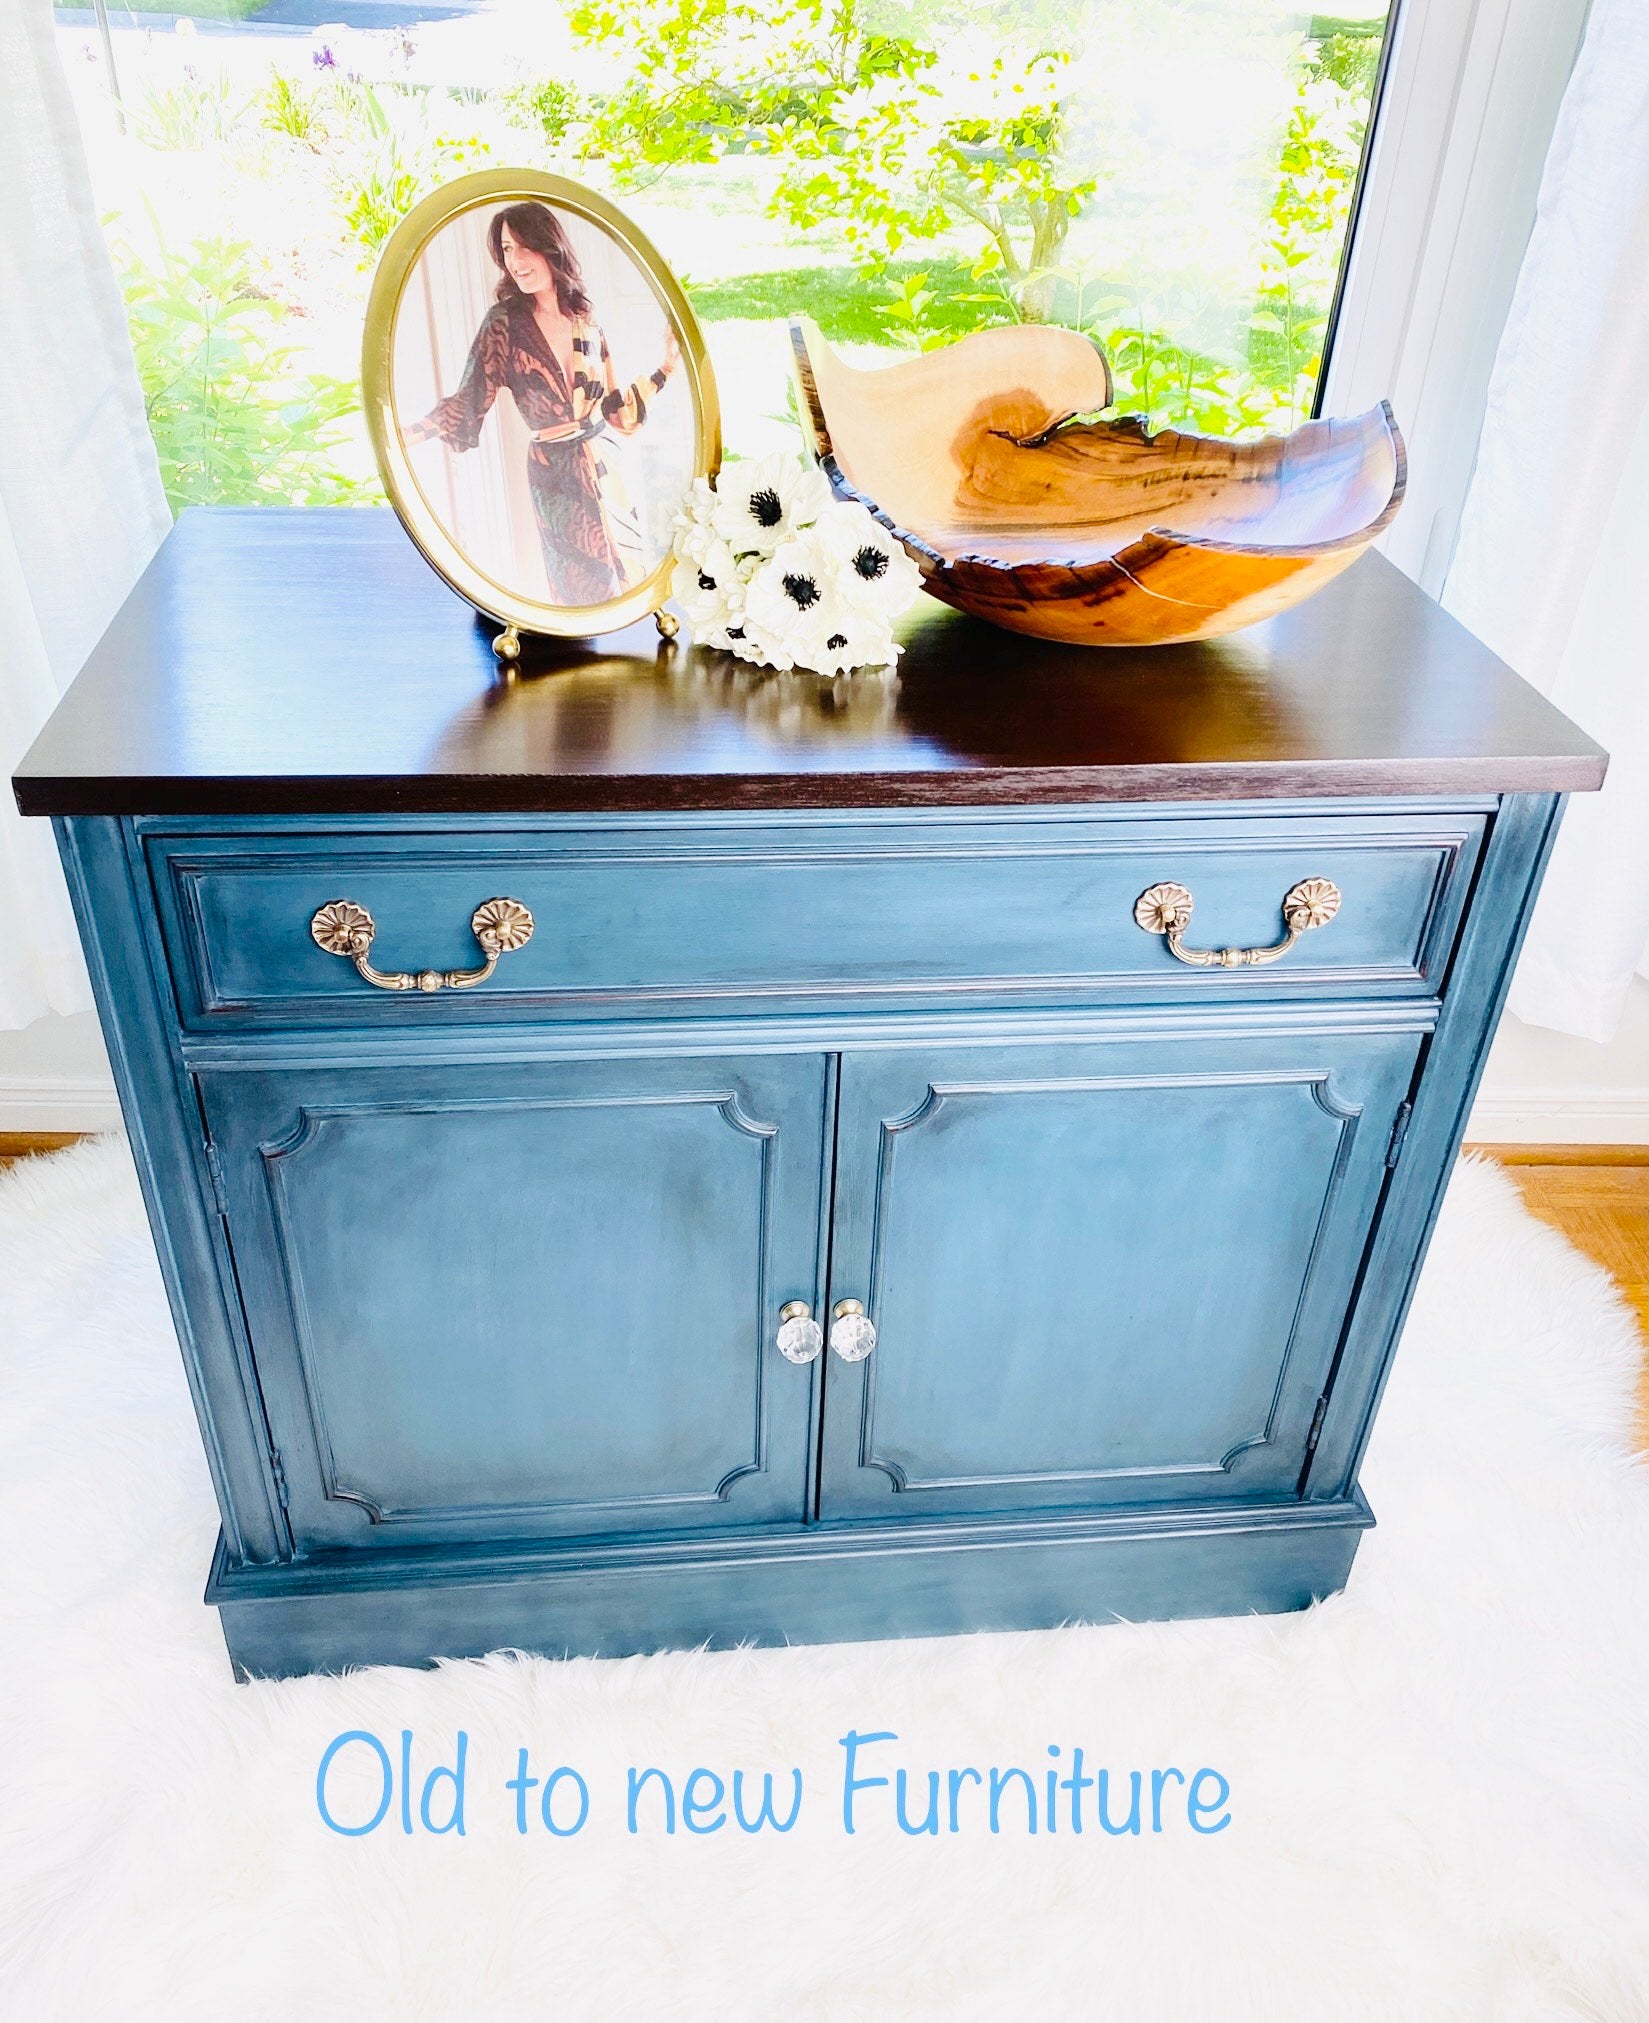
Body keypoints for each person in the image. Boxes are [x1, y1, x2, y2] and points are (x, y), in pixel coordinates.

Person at [404, 201, 681, 606]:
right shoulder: (504, 322)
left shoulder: (585, 319)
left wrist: (668, 366)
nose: (514, 261)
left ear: (548, 246)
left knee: (624, 572)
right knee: (578, 584)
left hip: (606, 465)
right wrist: (403, 436)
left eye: (522, 247)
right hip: (554, 473)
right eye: (506, 250)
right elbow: (469, 398)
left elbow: (616, 412)